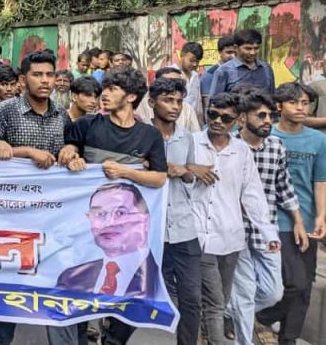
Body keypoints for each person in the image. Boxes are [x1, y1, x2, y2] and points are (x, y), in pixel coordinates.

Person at [54, 67, 168, 345]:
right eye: (104, 88)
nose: (103, 94)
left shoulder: (149, 135)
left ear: (131, 97)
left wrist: (126, 172)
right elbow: (68, 149)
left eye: (113, 89)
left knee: (126, 304)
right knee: (77, 299)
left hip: (126, 237)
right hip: (85, 231)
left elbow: (159, 177)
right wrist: (70, 155)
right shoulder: (87, 125)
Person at [0, 51, 65, 345]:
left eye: (49, 74)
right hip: (11, 213)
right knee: (11, 280)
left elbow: (68, 152)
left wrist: (71, 151)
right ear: (23, 80)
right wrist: (22, 152)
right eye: (38, 75)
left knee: (54, 278)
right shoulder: (5, 111)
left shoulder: (61, 113)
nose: (45, 80)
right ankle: (2, 341)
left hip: (51, 211)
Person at [185, 93, 278, 345]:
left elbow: (252, 194)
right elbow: (168, 169)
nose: (218, 121)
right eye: (213, 114)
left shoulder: (241, 151)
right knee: (216, 301)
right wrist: (189, 168)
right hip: (197, 235)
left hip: (230, 237)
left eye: (226, 118)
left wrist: (268, 232)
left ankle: (204, 334)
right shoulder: (191, 142)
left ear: (237, 120)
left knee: (222, 299)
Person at [228, 87, 303, 345]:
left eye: (270, 116)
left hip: (267, 230)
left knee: (273, 293)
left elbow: (284, 187)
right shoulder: (230, 147)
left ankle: (224, 310)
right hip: (235, 232)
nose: (267, 121)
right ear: (242, 118)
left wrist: (298, 222)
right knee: (245, 291)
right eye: (261, 116)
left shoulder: (276, 146)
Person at [257, 82, 326, 345]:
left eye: (305, 103)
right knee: (293, 283)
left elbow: (320, 181)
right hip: (276, 220)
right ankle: (262, 315)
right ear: (279, 106)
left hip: (306, 218)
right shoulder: (266, 136)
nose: (300, 108)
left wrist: (321, 216)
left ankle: (288, 339)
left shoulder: (318, 140)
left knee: (304, 286)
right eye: (294, 102)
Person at [143, 77, 202, 345]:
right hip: (148, 229)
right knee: (135, 293)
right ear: (151, 102)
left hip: (182, 226)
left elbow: (192, 178)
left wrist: (185, 172)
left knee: (191, 297)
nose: (175, 106)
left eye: (179, 101)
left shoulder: (186, 137)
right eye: (168, 100)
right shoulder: (141, 134)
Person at [58, 183, 159, 297]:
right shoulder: (71, 278)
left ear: (145, 220)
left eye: (120, 213)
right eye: (99, 214)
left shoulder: (162, 276)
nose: (109, 223)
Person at [209, 29, 275, 96]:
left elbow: (272, 97)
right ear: (236, 48)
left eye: (256, 48)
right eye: (248, 49)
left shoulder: (266, 68)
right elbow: (215, 100)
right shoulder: (223, 71)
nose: (252, 52)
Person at [134, 67, 201, 132]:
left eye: (178, 83)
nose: (173, 86)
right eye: (167, 82)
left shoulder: (188, 109)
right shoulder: (142, 105)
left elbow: (196, 134)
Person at [201, 35, 237, 108]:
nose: (233, 56)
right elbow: (208, 105)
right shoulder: (210, 74)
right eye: (229, 52)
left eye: (235, 53)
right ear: (220, 52)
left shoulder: (239, 71)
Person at [178, 42, 205, 122]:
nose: (195, 64)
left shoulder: (196, 76)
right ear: (182, 55)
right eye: (191, 60)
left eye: (197, 61)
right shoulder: (170, 73)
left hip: (192, 122)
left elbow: (198, 103)